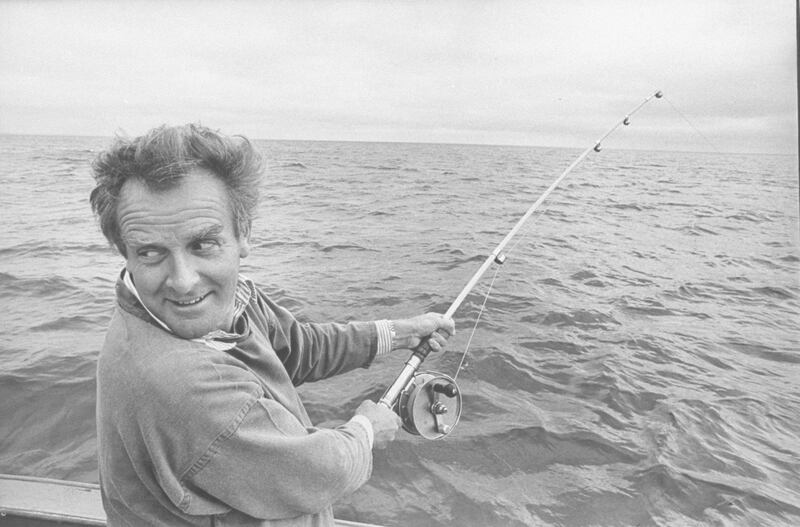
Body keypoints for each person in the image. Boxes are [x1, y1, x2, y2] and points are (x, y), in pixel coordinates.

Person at [89, 123, 454, 526]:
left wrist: (400, 332)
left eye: (203, 244)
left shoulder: (232, 300)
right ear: (124, 251)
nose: (183, 281)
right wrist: (369, 430)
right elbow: (317, 473)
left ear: (243, 234)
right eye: (151, 253)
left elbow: (299, 347)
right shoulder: (178, 381)